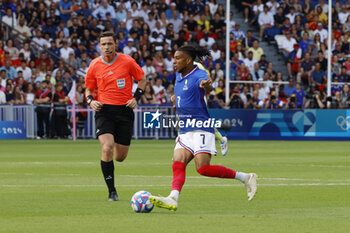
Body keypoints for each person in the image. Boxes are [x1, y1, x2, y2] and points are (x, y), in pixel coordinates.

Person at [149, 46, 257, 211]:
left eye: (178, 58)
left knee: (203, 168)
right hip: (185, 129)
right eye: (174, 57)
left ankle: (246, 177)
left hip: (201, 127)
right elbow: (181, 99)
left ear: (188, 60)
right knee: (178, 161)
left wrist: (207, 86)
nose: (174, 61)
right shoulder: (178, 77)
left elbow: (207, 86)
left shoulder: (199, 74)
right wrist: (175, 101)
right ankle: (173, 198)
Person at [84, 31, 146, 201]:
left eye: (110, 43)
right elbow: (88, 89)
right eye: (103, 44)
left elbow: (142, 79)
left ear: (115, 44)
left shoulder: (127, 61)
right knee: (107, 148)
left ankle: (112, 181)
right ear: (99, 46)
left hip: (124, 110)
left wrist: (136, 97)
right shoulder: (94, 64)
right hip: (104, 111)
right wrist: (90, 101)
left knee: (120, 157)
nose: (107, 47)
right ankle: (112, 191)